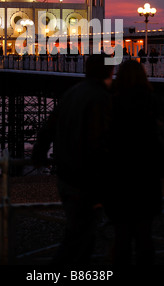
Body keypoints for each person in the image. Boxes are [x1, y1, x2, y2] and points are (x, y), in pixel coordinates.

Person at [31, 53, 114, 266]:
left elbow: (48, 128)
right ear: (109, 71)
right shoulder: (101, 98)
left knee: (78, 234)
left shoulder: (72, 92)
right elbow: (98, 144)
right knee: (80, 238)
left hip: (65, 175)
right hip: (85, 181)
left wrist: (39, 153)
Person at [102, 59, 164, 267]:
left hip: (119, 176)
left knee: (121, 235)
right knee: (145, 235)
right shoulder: (154, 101)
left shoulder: (112, 101)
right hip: (147, 175)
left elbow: (103, 139)